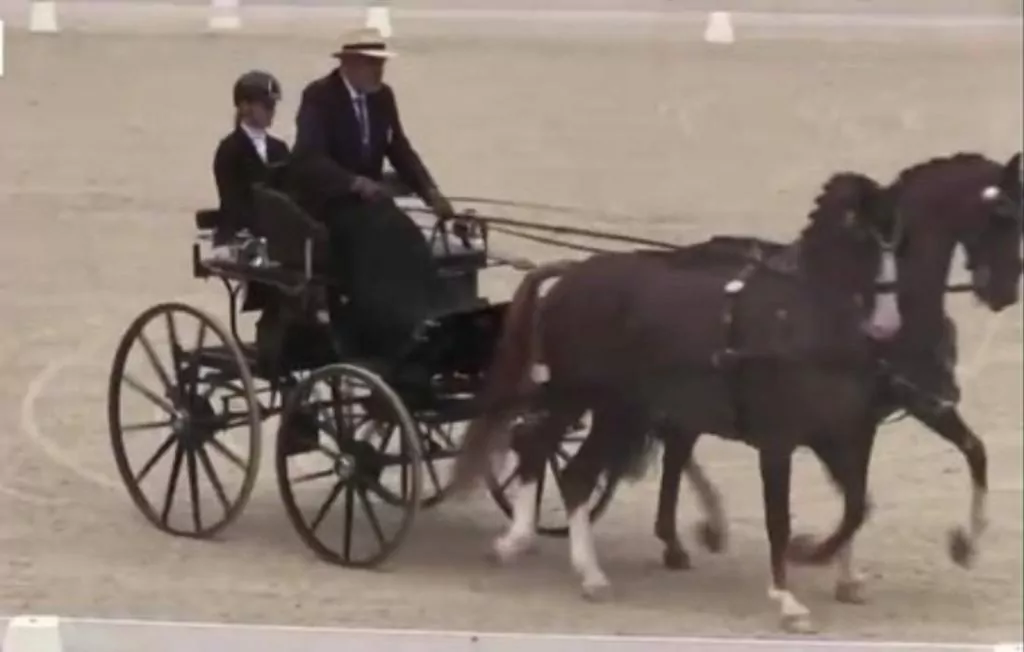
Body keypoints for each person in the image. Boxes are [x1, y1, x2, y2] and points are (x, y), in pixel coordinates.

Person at [289, 27, 456, 359]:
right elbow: (308, 157)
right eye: (372, 63)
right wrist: (352, 182)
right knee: (375, 246)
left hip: (371, 203)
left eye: (381, 63)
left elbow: (399, 149)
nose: (379, 70)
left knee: (410, 237)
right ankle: (376, 330)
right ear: (349, 63)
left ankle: (427, 316)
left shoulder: (383, 97)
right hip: (330, 203)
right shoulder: (319, 97)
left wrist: (431, 193)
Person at [213, 70, 290, 236]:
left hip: (276, 234)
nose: (272, 112)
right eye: (267, 106)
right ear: (244, 106)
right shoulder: (229, 149)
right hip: (239, 234)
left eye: (273, 106)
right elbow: (231, 198)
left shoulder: (280, 148)